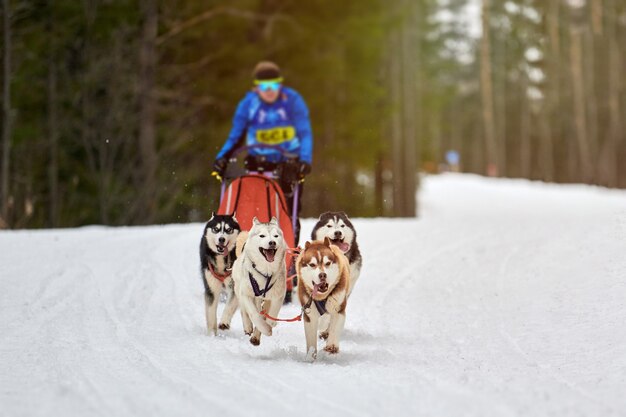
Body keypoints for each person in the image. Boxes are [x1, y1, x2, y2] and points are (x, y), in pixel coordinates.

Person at [212, 61, 313, 243]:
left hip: (288, 165)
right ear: (256, 88)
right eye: (264, 86)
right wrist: (222, 158)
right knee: (253, 210)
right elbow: (236, 136)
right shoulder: (248, 104)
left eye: (274, 85)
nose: (269, 90)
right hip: (256, 165)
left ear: (280, 84)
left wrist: (304, 160)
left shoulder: (293, 101)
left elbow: (305, 133)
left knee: (287, 213)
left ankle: (288, 252)